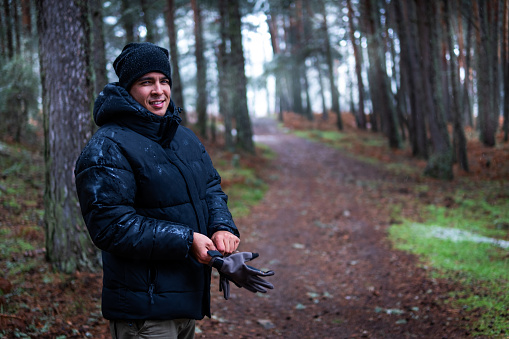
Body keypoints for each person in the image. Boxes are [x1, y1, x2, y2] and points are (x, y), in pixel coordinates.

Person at [74, 42, 240, 338]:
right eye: (146, 82)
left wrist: (222, 226)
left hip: (184, 300)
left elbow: (210, 187)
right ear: (128, 89)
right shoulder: (107, 147)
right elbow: (110, 226)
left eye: (164, 81)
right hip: (144, 310)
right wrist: (186, 240)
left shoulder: (183, 138)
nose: (158, 90)